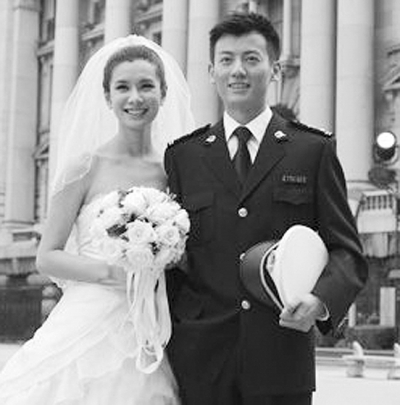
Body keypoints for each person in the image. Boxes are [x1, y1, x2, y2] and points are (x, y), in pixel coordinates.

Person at [164, 12, 368, 405]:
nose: (237, 70)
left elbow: (347, 252)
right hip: (200, 362)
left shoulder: (312, 150)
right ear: (211, 72)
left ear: (274, 69)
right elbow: (174, 264)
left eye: (251, 59)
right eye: (226, 60)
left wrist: (320, 300)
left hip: (281, 359)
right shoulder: (183, 157)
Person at [0, 36, 195, 404]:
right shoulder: (84, 167)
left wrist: (165, 257)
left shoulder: (173, 171)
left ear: (163, 93)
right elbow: (47, 256)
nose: (135, 97)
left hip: (150, 321)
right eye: (122, 87)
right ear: (107, 97)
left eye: (146, 86)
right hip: (87, 317)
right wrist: (114, 274)